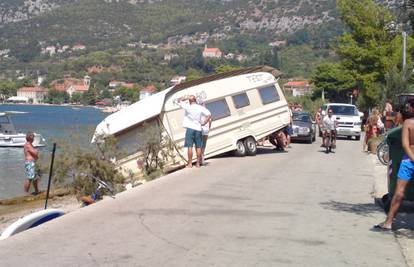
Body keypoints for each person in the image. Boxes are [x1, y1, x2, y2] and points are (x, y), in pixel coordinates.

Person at [374, 99, 414, 231]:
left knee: (399, 192)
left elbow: (405, 145)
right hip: (409, 161)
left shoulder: (408, 123)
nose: (407, 109)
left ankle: (388, 222)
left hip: (408, 161)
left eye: (409, 107)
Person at [178, 95, 211, 168]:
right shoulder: (200, 107)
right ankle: (198, 163)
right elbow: (209, 114)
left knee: (190, 146)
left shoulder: (188, 107)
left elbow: (179, 100)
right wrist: (205, 123)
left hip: (190, 128)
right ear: (195, 100)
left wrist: (186, 97)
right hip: (198, 128)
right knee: (198, 147)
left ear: (190, 101)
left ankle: (190, 164)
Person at [199, 99, 212, 165]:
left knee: (199, 145)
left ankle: (200, 159)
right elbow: (210, 120)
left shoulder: (198, 111)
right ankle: (202, 159)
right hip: (205, 130)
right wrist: (208, 128)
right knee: (203, 145)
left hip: (199, 129)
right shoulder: (206, 111)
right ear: (203, 104)